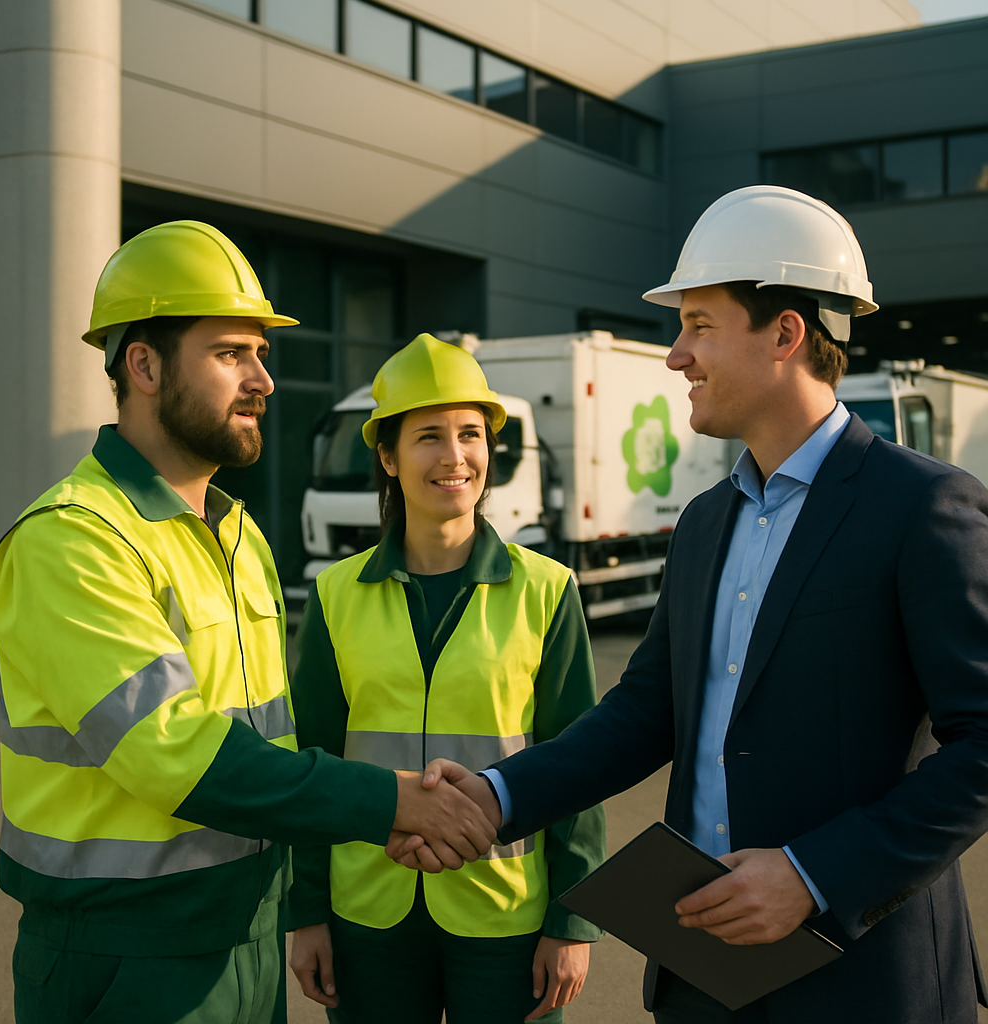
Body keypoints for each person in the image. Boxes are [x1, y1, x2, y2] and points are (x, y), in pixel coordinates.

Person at [391, 186, 988, 1023]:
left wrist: (815, 875)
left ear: (785, 333)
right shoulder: (708, 520)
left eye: (698, 325)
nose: (676, 356)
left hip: (862, 982)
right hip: (704, 972)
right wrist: (495, 797)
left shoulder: (921, 506)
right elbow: (645, 712)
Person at [0, 222, 496, 1024]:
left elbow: (276, 751)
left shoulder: (238, 534)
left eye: (261, 353)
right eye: (231, 354)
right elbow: (178, 758)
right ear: (143, 365)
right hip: (128, 955)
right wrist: (392, 804)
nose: (262, 379)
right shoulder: (70, 540)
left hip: (247, 938)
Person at [286, 333, 606, 1023]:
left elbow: (581, 762)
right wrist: (306, 911)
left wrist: (572, 921)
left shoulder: (547, 590)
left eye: (471, 434)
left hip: (506, 912)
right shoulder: (336, 594)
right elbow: (311, 762)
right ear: (387, 455)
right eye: (429, 436)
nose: (455, 456)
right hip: (368, 910)